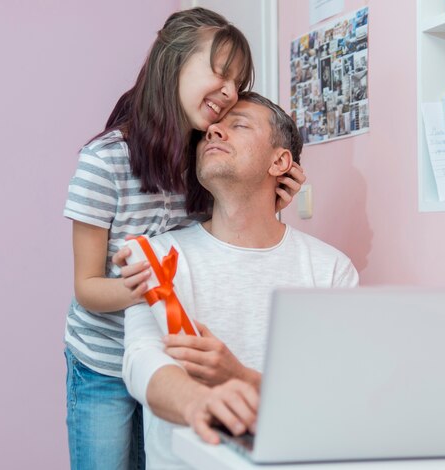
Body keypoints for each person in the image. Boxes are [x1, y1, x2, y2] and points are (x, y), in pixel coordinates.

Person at [62, 8, 306, 470]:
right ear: (171, 62)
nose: (231, 92)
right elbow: (87, 287)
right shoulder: (104, 161)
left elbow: (223, 232)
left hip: (170, 356)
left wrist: (268, 202)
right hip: (104, 361)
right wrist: (156, 283)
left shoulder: (200, 161)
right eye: (221, 72)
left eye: (239, 81)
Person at [121, 92, 359, 470]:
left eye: (239, 125)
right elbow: (142, 364)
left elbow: (337, 394)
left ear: (279, 161)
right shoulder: (159, 257)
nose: (214, 130)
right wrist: (199, 402)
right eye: (211, 128)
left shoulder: (330, 270)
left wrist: (239, 377)